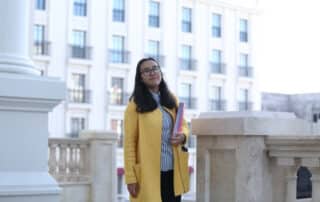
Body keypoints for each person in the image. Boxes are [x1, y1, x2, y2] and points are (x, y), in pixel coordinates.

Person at [124, 58, 190, 202]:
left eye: (155, 68)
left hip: (173, 172)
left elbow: (184, 125)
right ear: (140, 77)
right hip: (149, 174)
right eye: (146, 70)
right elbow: (129, 143)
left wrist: (183, 136)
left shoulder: (172, 99)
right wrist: (130, 177)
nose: (152, 72)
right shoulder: (134, 104)